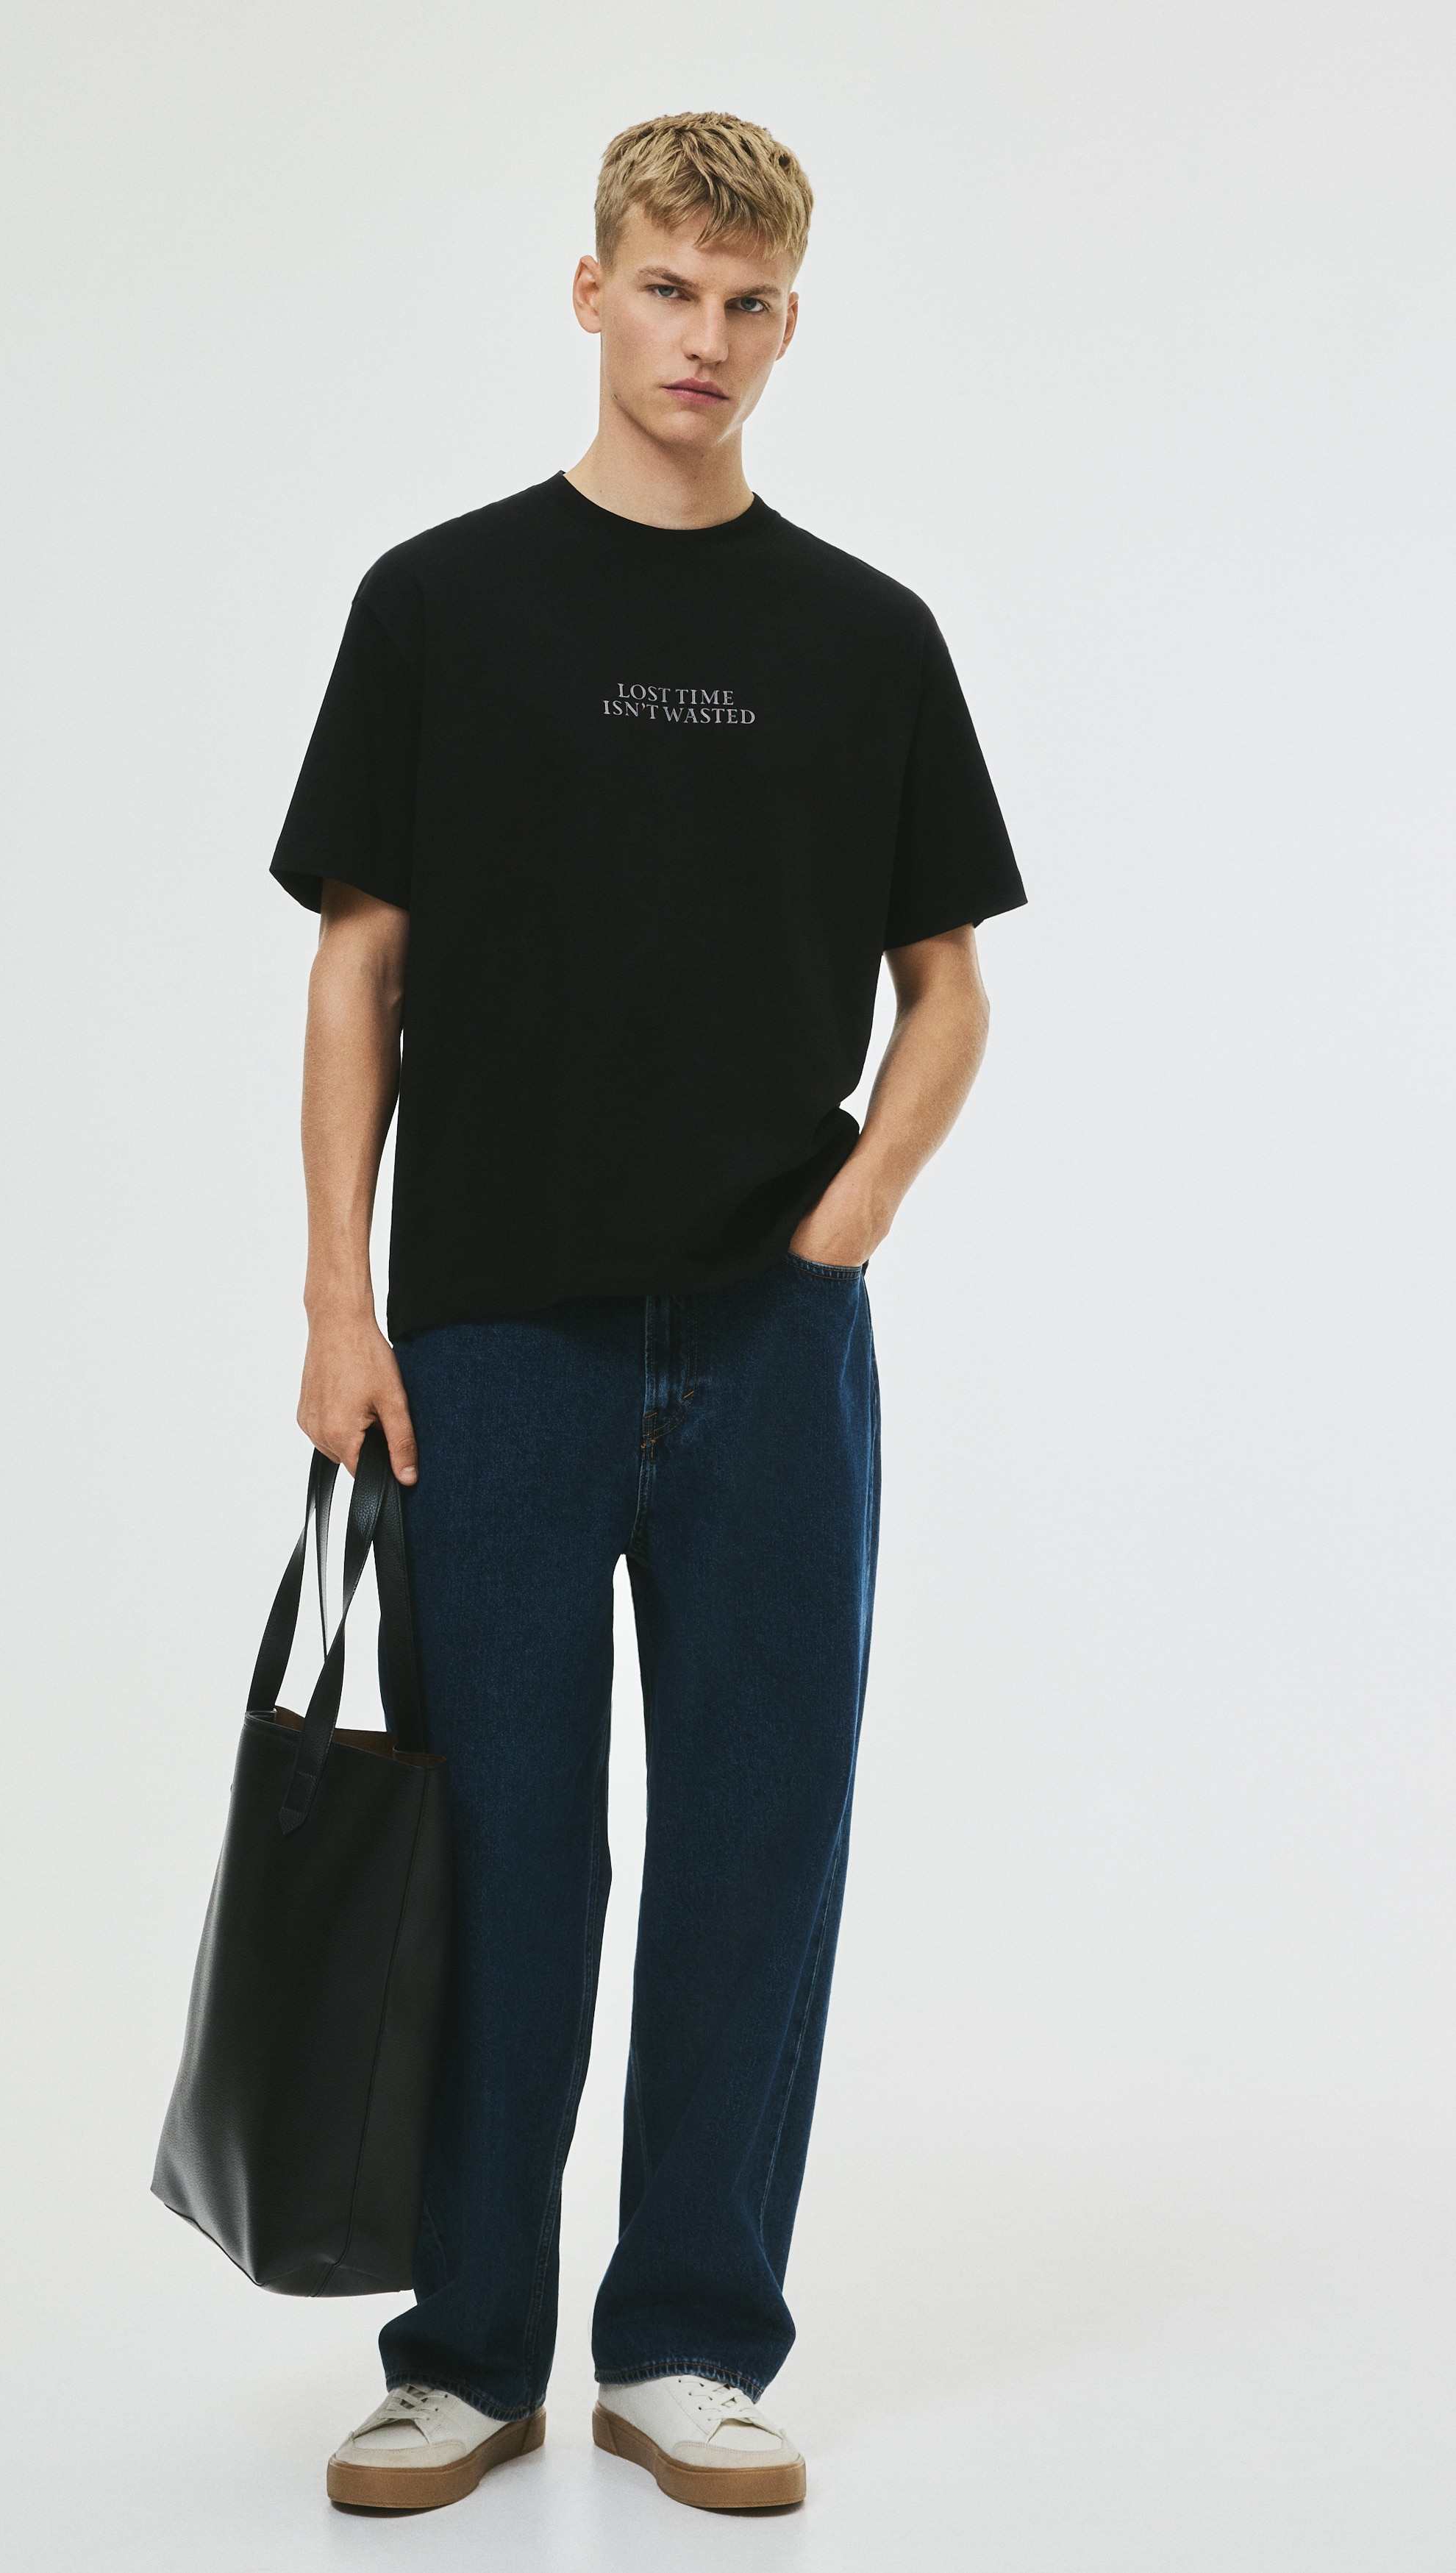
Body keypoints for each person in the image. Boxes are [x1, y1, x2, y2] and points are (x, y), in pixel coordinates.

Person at [270, 110, 1025, 2516]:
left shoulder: (866, 636)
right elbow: (359, 964)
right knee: (500, 1849)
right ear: (588, 290)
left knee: (754, 1844)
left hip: (774, 1346)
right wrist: (340, 1296)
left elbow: (948, 989)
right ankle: (464, 2350)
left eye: (749, 302)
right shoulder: (442, 603)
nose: (707, 337)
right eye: (669, 287)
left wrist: (844, 1227)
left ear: (793, 324)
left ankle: (689, 2337)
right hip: (490, 1337)